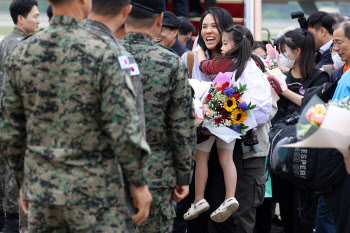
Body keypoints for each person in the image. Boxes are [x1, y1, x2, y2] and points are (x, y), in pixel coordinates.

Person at [0, 0, 153, 231]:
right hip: (96, 196)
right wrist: (139, 183)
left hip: (43, 191)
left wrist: (24, 179)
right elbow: (123, 126)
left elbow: (10, 129)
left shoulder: (23, 51)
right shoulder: (106, 50)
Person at [123, 0, 196, 232]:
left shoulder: (105, 54)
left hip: (110, 173)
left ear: (126, 16)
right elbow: (181, 126)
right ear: (158, 21)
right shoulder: (170, 62)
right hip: (157, 176)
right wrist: (184, 176)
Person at [84, 1, 149, 232]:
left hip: (45, 188)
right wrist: (139, 183)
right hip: (103, 190)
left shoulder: (41, 46)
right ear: (126, 11)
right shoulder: (119, 57)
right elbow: (129, 124)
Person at [181, 8, 242, 233]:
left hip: (228, 144)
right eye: (204, 26)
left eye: (213, 26)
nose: (208, 31)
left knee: (225, 220)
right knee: (195, 221)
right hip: (198, 140)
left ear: (226, 30)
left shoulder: (240, 61)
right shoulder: (190, 58)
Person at [272, 29, 330, 233]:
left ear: (297, 51)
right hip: (281, 153)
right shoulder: (282, 77)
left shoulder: (320, 78)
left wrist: (284, 91)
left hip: (306, 154)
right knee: (286, 210)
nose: (280, 56)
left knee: (304, 213)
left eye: (283, 50)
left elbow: (316, 110)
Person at [0, 1, 40, 232]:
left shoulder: (5, 42)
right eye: (34, 16)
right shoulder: (24, 47)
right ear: (20, 19)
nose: (38, 20)